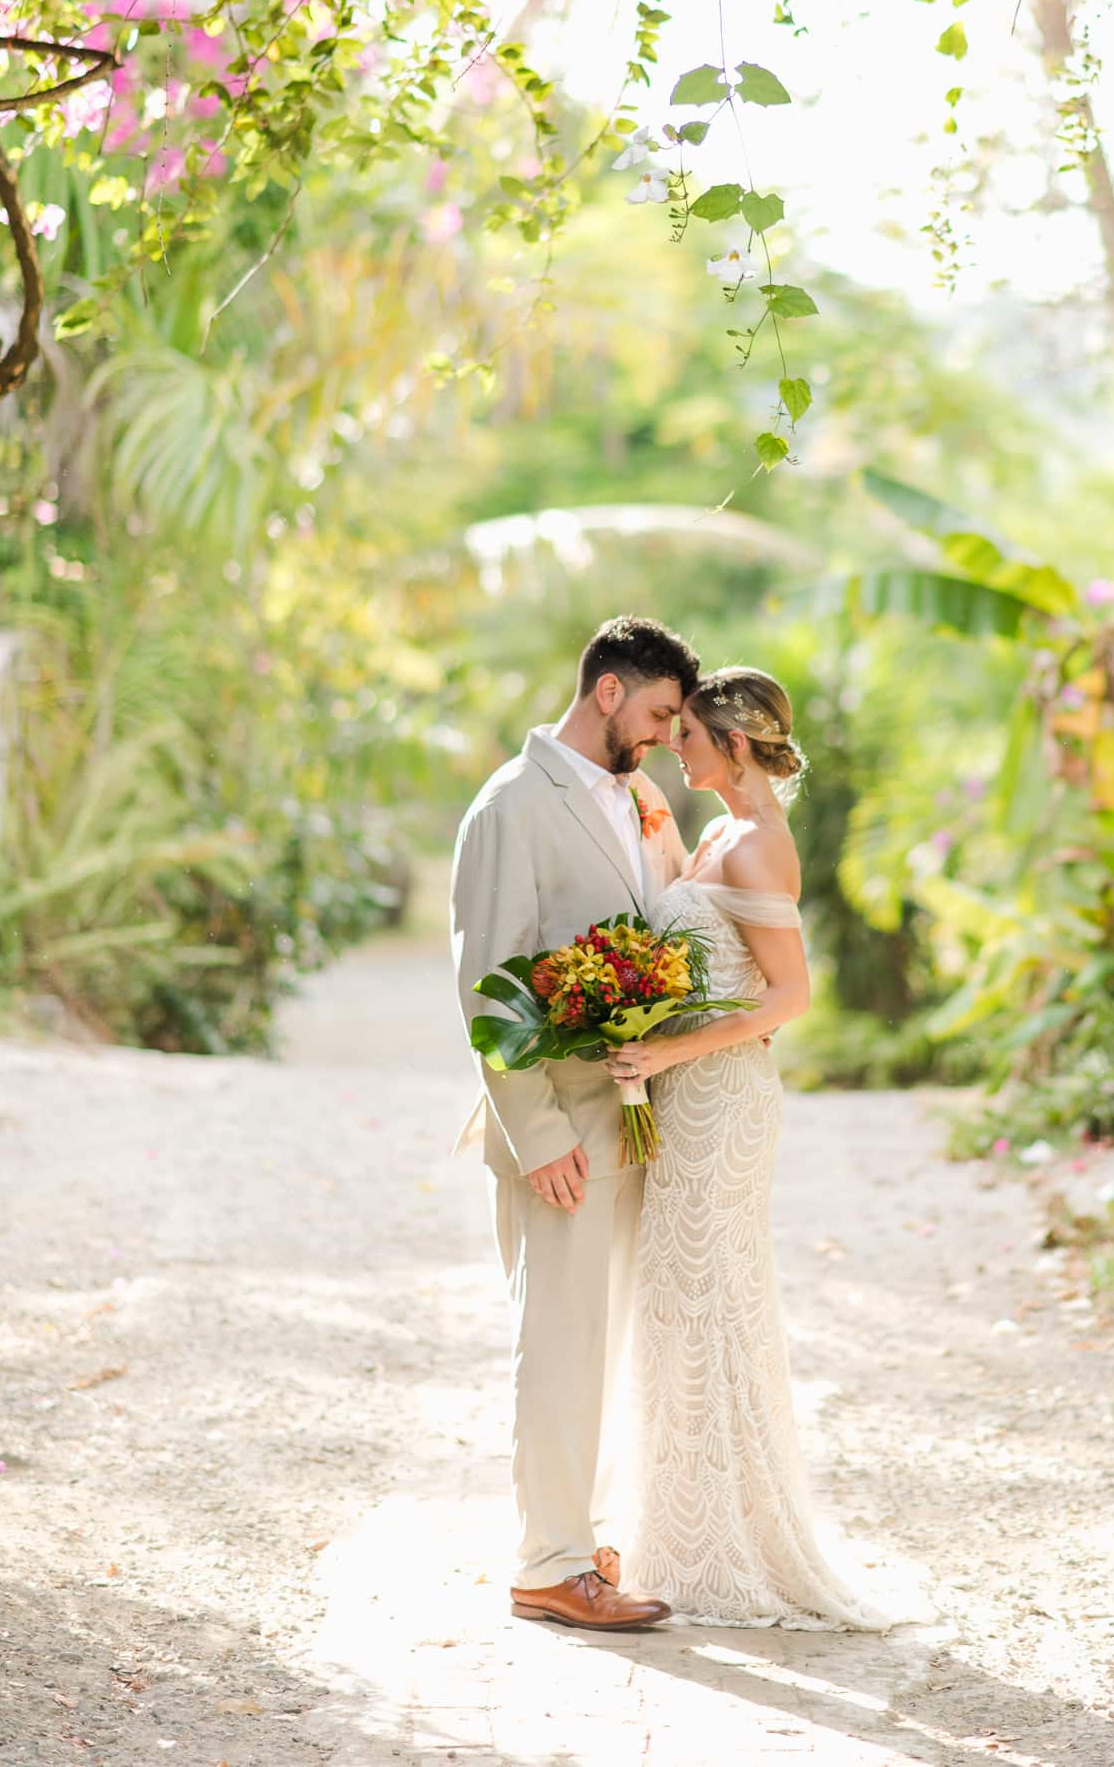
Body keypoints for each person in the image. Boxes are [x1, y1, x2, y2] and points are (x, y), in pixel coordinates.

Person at [605, 667, 894, 1630]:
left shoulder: (764, 848)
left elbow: (787, 999)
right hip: (684, 1100)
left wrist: (667, 1049)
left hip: (722, 1107)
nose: (673, 747)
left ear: (732, 746)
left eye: (686, 734)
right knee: (677, 1308)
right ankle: (683, 1526)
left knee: (706, 1305)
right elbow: (707, 935)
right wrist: (652, 826)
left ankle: (723, 1545)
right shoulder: (721, 835)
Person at [449, 614, 696, 1632]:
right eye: (659, 713)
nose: (667, 736)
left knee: (602, 1343)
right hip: (557, 1126)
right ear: (607, 693)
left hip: (630, 1114)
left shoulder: (637, 797)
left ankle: (578, 1535)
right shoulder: (513, 804)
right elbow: (486, 980)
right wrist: (540, 1133)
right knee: (557, 1340)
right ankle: (547, 1564)